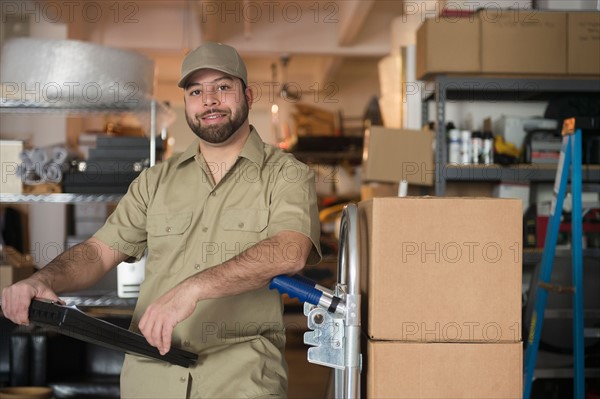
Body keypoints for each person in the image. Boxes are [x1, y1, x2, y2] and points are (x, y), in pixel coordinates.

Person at [1, 42, 322, 398]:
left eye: (222, 87)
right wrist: (41, 280)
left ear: (246, 94)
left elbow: (289, 250)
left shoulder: (287, 175)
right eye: (196, 91)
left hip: (239, 379)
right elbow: (98, 252)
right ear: (185, 101)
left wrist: (193, 288)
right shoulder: (155, 182)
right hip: (150, 378)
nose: (209, 100)